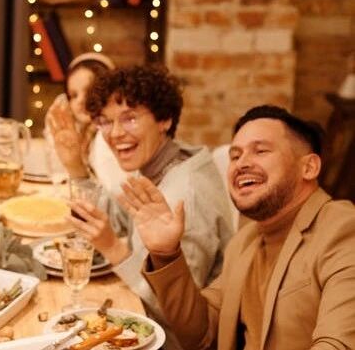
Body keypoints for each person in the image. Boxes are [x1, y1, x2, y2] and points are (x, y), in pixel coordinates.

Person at [131, 105, 355, 349]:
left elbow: (338, 344)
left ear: (309, 167)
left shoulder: (343, 229)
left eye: (260, 151)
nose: (242, 164)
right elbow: (203, 334)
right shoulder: (245, 241)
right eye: (235, 156)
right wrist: (166, 254)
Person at [67, 65, 234, 350]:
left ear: (164, 119)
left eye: (129, 118)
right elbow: (121, 219)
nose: (115, 134)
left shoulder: (185, 194)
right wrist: (75, 166)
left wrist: (114, 249)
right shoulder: (162, 161)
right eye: (105, 122)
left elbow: (178, 316)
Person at [44, 52, 126, 195]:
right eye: (73, 95)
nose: (81, 101)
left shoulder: (108, 138)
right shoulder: (79, 135)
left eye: (89, 91)